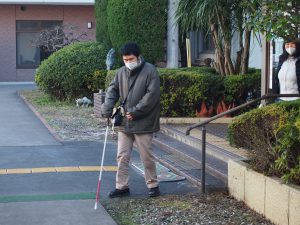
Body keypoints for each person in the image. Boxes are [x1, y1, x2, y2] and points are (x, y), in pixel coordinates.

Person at [101, 43, 161, 198]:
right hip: (125, 122)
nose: (128, 61)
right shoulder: (121, 72)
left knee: (146, 156)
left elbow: (152, 95)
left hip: (144, 121)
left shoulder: (150, 70)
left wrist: (136, 111)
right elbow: (112, 90)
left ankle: (153, 185)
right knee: (122, 155)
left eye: (131, 58)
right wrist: (107, 108)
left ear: (138, 56)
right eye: (125, 59)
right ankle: (121, 186)